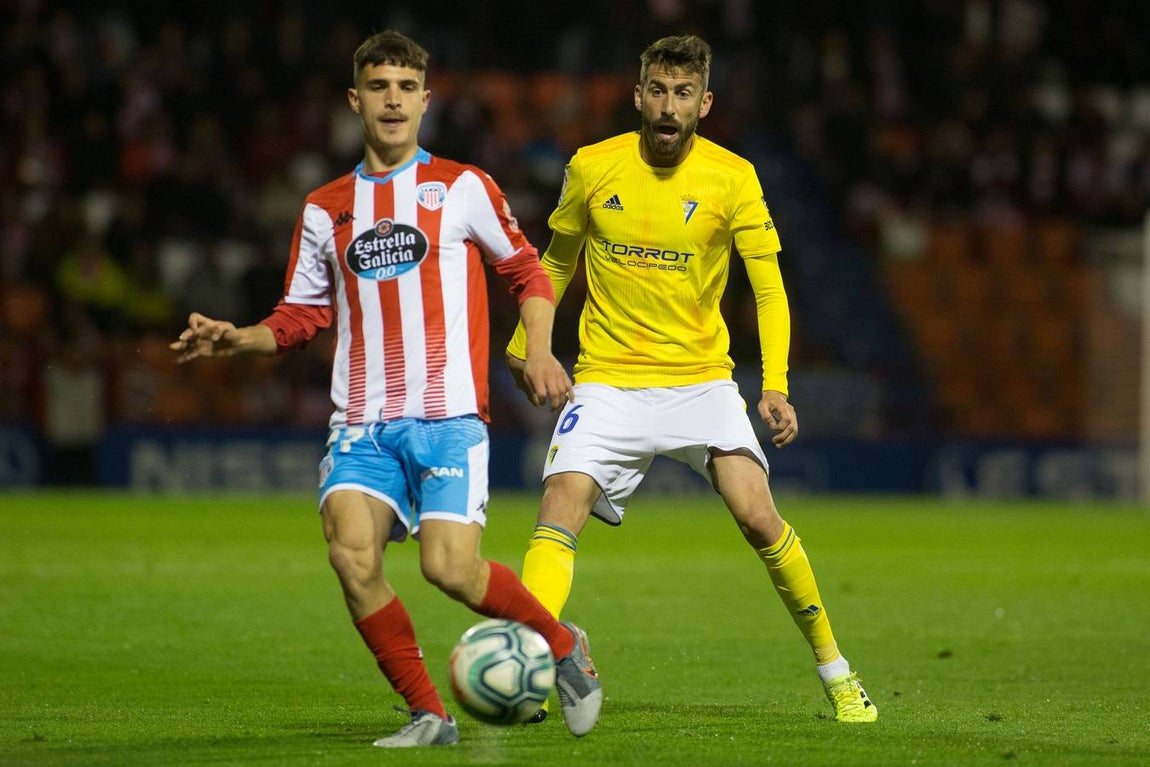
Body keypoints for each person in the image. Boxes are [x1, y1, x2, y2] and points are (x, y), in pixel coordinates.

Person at [171, 30, 601, 747]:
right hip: (361, 426)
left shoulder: (463, 186)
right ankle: (430, 713)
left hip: (448, 419)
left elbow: (527, 271)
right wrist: (236, 337)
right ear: (355, 99)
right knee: (350, 554)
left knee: (449, 568)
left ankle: (563, 646)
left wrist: (541, 350)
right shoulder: (324, 207)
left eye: (406, 87)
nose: (393, 99)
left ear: (426, 101)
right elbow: (302, 314)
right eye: (379, 86)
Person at [506, 34, 877, 723]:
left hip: (701, 379)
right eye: (658, 90)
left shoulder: (732, 176)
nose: (669, 107)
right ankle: (535, 660)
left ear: (704, 103)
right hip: (609, 378)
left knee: (760, 517)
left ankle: (837, 670)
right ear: (637, 93)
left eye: (683, 94)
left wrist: (776, 383)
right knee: (560, 504)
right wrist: (529, 342)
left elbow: (769, 288)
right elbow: (555, 263)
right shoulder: (592, 167)